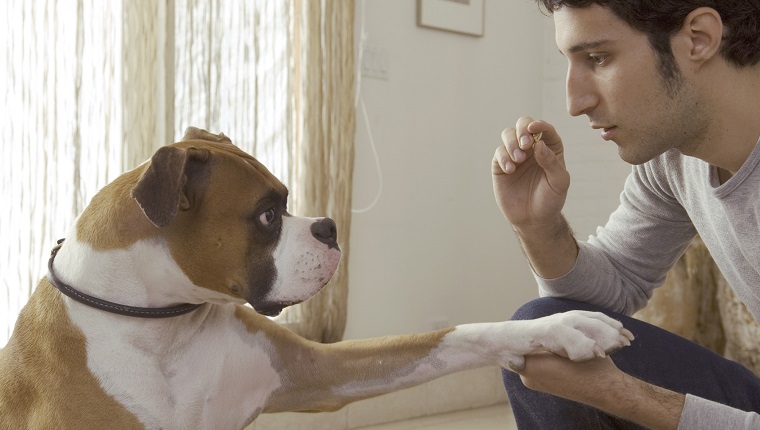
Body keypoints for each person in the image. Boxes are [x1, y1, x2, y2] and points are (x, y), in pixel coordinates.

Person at [492, 1, 760, 429]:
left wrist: (625, 396)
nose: (575, 103)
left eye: (597, 58)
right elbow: (612, 291)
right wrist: (538, 226)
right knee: (542, 333)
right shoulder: (673, 161)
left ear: (699, 39)